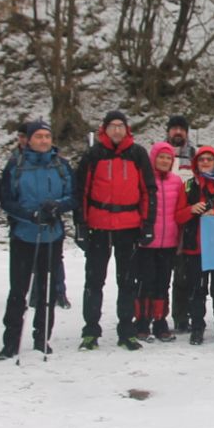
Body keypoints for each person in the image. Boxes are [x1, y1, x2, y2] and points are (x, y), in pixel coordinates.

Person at [74, 110, 152, 350]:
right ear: (104, 129)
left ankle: (126, 330)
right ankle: (90, 330)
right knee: (94, 280)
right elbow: (81, 191)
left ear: (127, 129)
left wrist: (147, 224)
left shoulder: (137, 154)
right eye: (112, 126)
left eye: (121, 126)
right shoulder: (93, 155)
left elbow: (148, 191)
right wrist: (80, 225)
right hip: (98, 226)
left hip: (129, 226)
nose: (117, 130)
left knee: (127, 282)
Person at [0, 120, 74, 357]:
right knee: (18, 290)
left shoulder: (61, 165)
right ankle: (11, 341)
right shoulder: (16, 165)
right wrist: (29, 215)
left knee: (47, 291)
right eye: (38, 136)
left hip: (52, 235)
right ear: (29, 140)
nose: (43, 141)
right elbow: (6, 200)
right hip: (24, 235)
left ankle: (42, 338)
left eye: (47, 136)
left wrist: (57, 206)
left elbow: (73, 196)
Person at [173, 146, 214, 344]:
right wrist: (191, 209)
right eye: (202, 159)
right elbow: (178, 216)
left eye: (209, 159)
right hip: (195, 247)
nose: (205, 163)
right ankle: (197, 329)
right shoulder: (187, 186)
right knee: (196, 291)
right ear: (196, 163)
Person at [132, 140, 185, 342]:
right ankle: (142, 321)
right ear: (153, 159)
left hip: (169, 241)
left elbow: (180, 211)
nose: (164, 161)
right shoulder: (144, 179)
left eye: (168, 158)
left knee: (163, 284)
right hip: (147, 242)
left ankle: (160, 320)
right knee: (145, 283)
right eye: (161, 157)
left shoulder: (177, 182)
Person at [166, 114, 196, 330]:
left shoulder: (194, 154)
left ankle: (182, 315)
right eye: (174, 128)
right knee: (159, 274)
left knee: (184, 274)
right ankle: (155, 315)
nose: (178, 132)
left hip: (187, 220)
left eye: (181, 129)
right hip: (164, 219)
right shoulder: (160, 153)